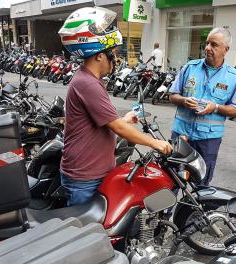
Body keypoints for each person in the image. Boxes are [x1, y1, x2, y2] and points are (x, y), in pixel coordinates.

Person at [58, 7, 172, 206]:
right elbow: (117, 127)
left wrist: (125, 120)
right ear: (99, 56)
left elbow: (103, 121)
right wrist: (154, 143)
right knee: (87, 233)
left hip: (88, 172)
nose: (115, 59)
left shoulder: (88, 79)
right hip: (85, 177)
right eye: (111, 53)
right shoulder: (88, 83)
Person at [169, 27, 236, 186]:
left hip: (208, 140)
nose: (208, 47)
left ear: (226, 50)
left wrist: (215, 107)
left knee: (202, 182)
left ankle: (194, 211)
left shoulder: (233, 77)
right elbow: (172, 95)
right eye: (207, 43)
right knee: (172, 178)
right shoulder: (189, 67)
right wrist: (183, 101)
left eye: (214, 44)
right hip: (181, 134)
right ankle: (167, 211)